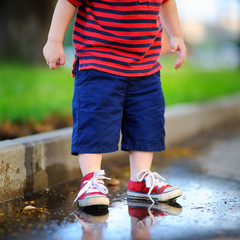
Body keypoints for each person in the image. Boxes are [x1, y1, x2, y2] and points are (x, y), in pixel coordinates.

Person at [43, 0, 186, 208]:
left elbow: (167, 2)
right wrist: (54, 40)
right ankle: (91, 180)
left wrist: (177, 35)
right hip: (99, 62)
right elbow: (68, 2)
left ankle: (140, 180)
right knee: (95, 122)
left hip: (145, 66)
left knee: (146, 120)